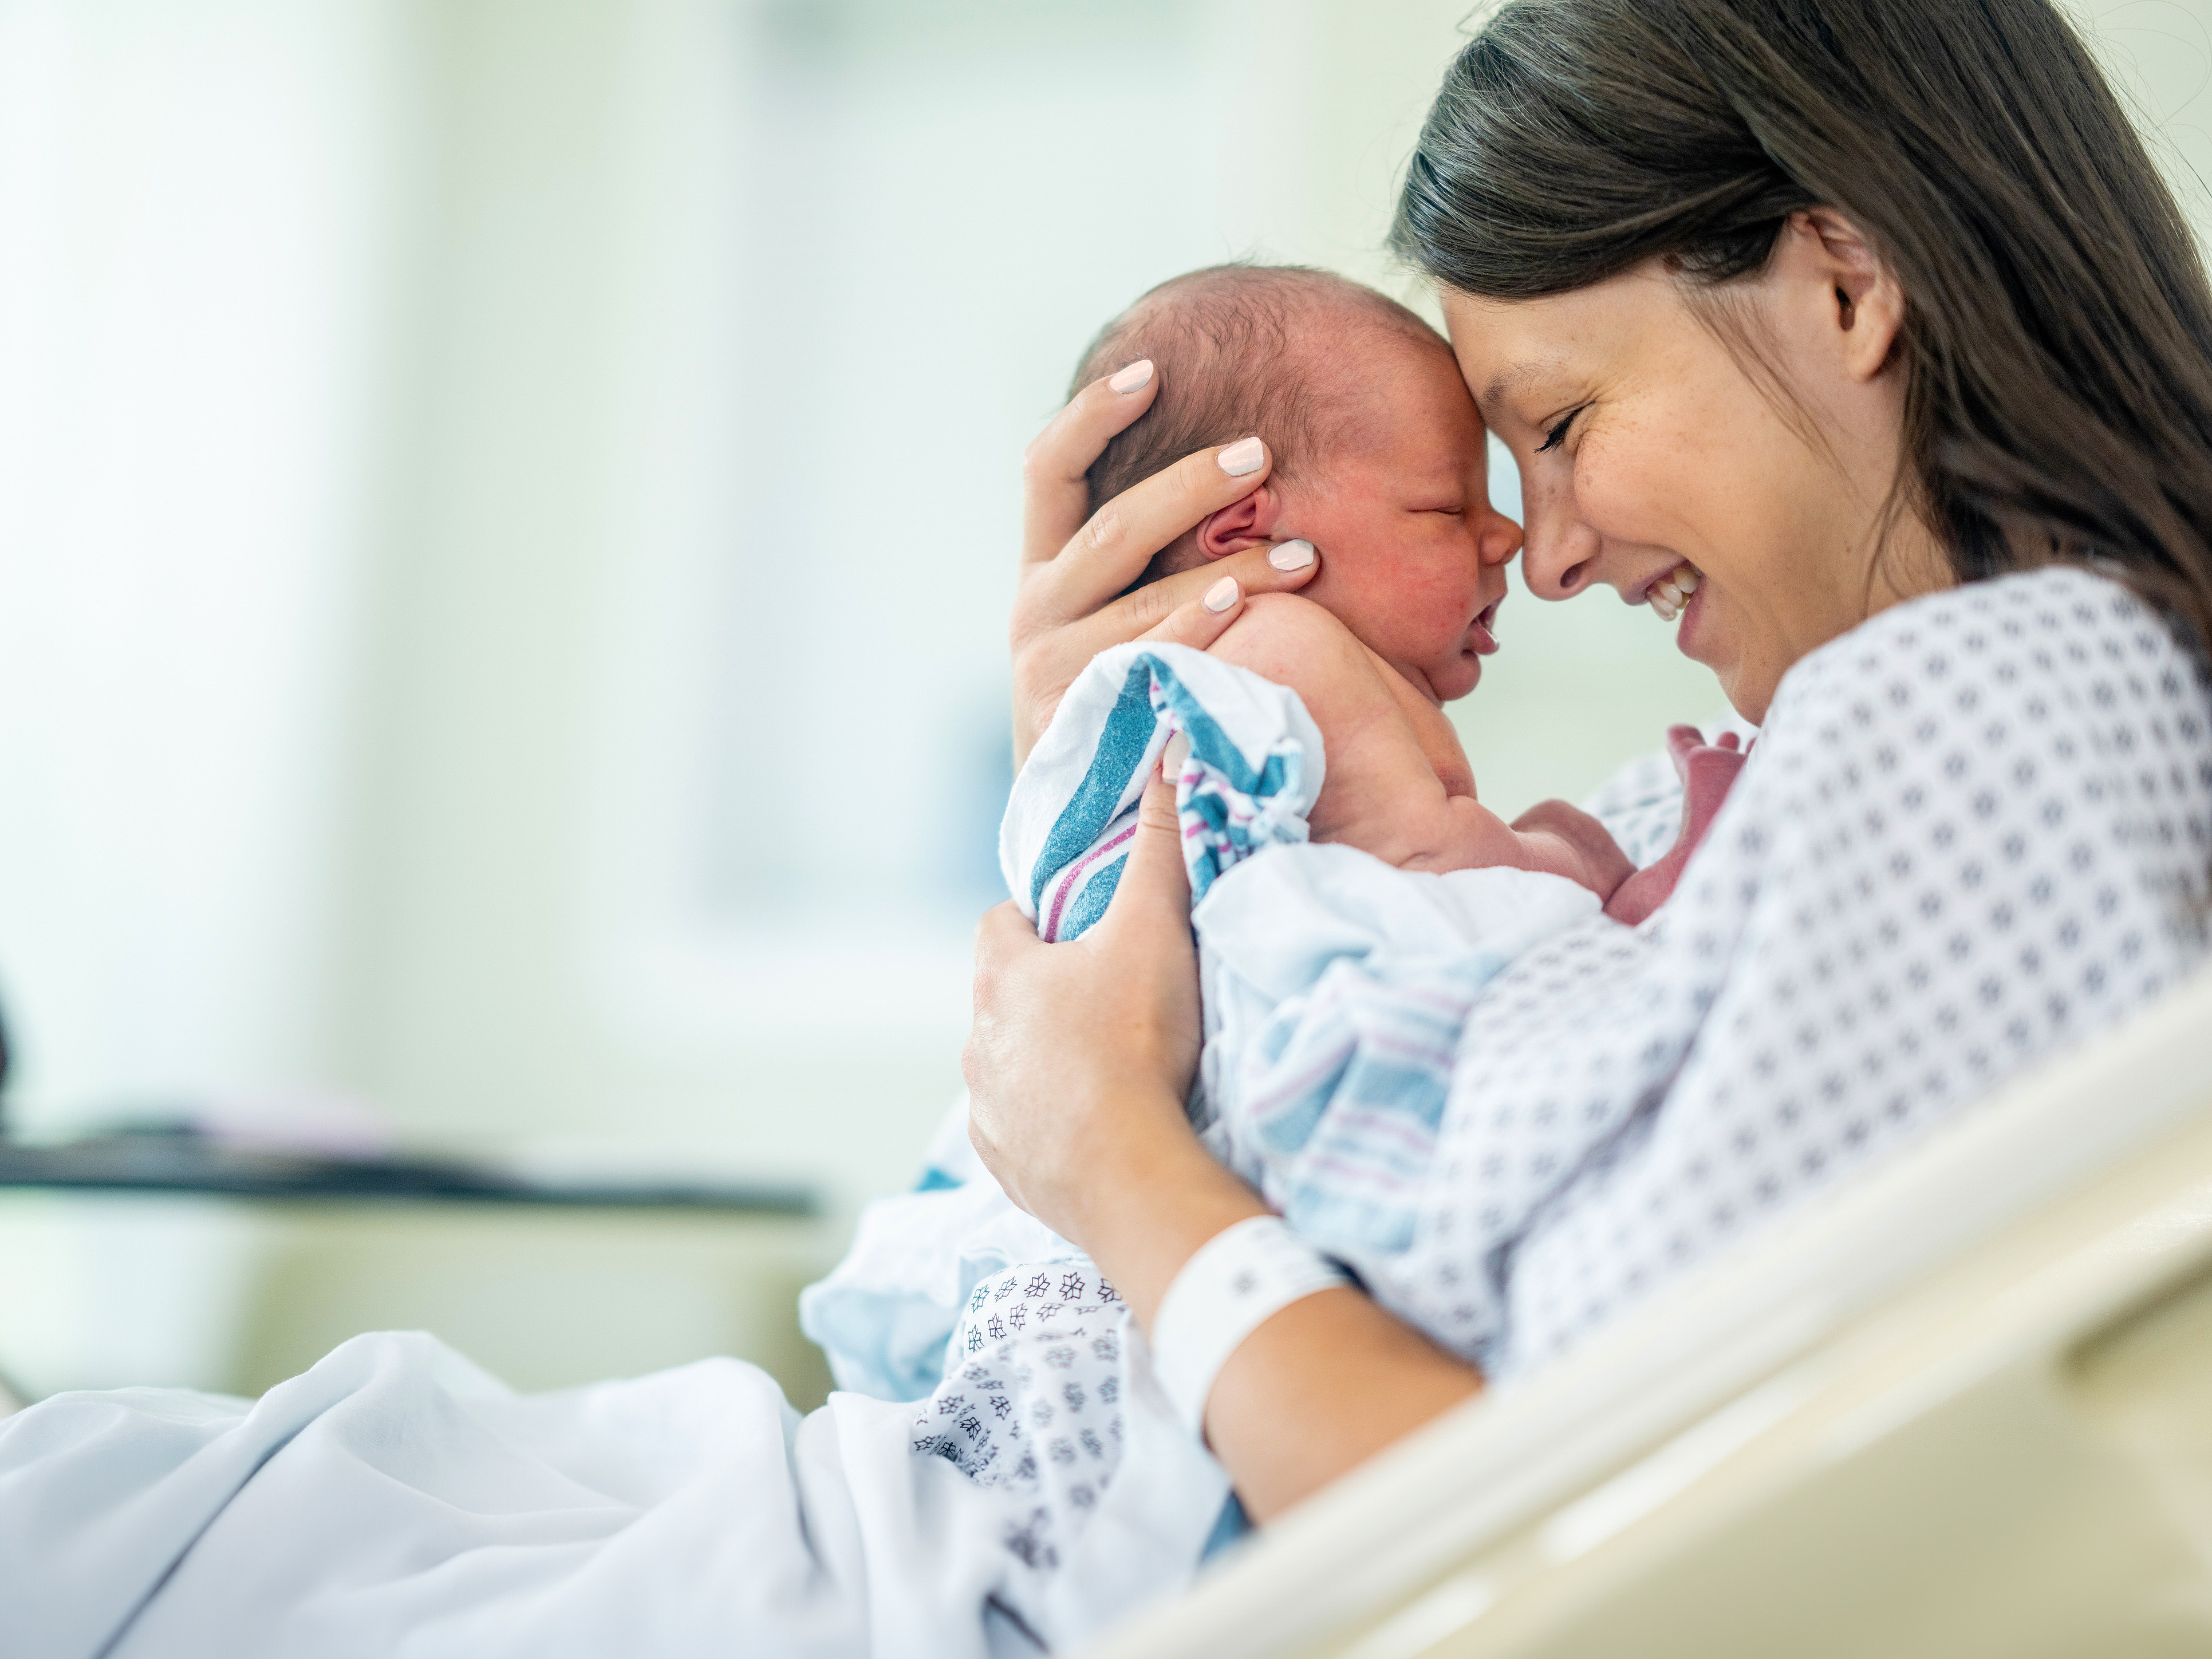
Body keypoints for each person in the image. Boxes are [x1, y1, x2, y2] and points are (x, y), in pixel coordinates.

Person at [967, 0, 2212, 1530]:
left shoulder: (1991, 716)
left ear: (1843, 283)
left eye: (1559, 422)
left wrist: (1112, 1156)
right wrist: (1132, 819)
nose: (1543, 556)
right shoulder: (1747, 789)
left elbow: (1555, 1527)